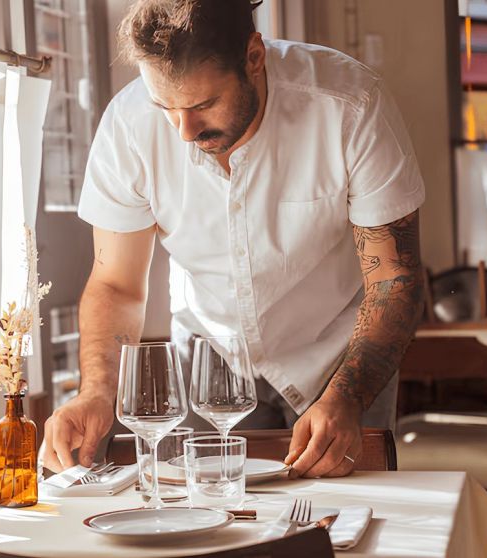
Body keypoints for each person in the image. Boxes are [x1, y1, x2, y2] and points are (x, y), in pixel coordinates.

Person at [43, 0, 425, 479]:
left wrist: (347, 396)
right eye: (167, 108)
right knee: (214, 525)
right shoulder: (128, 126)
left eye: (203, 105)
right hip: (209, 364)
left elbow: (394, 276)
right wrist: (96, 390)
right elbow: (116, 284)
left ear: (254, 57)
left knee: (354, 528)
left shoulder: (350, 104)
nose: (184, 132)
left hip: (340, 360)